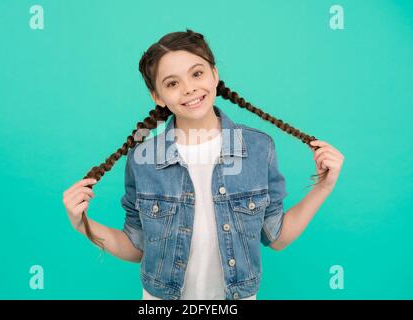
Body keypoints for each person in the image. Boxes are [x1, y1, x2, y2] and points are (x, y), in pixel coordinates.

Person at [62, 29, 344, 300]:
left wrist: (323, 187)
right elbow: (136, 247)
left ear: (214, 75)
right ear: (157, 96)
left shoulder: (259, 148)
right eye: (172, 83)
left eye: (197, 73)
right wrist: (82, 224)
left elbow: (277, 237)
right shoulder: (142, 159)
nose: (189, 89)